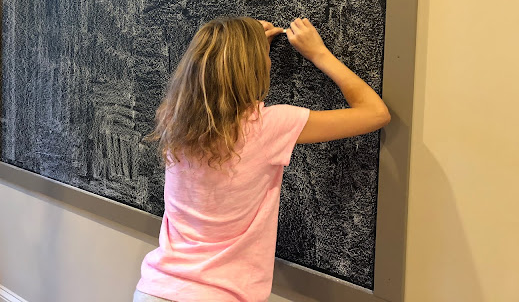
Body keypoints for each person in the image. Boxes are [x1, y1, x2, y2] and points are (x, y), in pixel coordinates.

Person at [134, 17, 390, 302]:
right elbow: (376, 113)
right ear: (254, 69)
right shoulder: (268, 126)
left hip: (154, 289)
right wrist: (319, 54)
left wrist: (249, 49)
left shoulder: (176, 122)